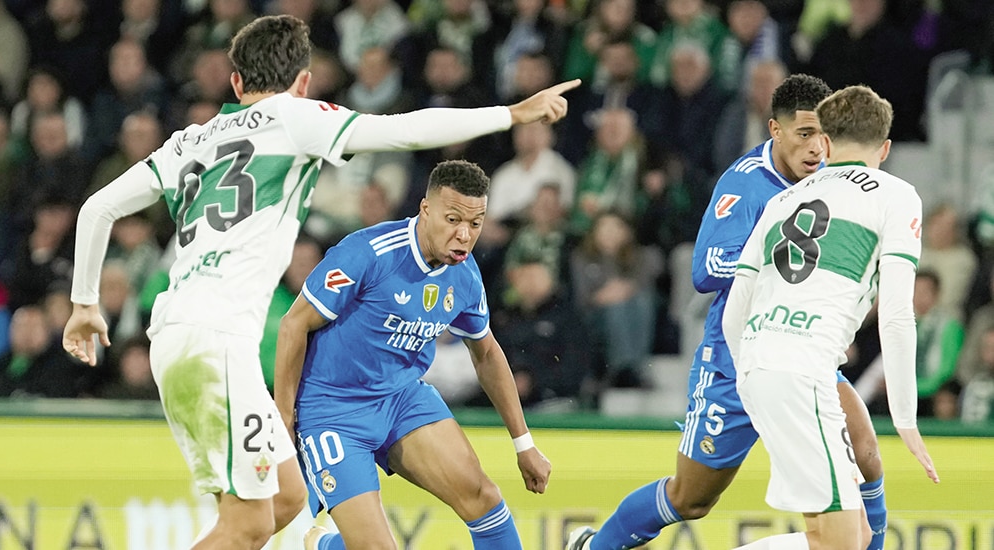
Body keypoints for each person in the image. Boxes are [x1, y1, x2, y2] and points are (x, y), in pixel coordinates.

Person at [61, 14, 577, 550]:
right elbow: (403, 130)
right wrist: (510, 113)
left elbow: (97, 208)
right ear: (304, 84)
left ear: (235, 83)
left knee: (284, 500)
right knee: (247, 524)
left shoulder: (188, 141)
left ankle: (320, 544)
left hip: (182, 337)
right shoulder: (293, 118)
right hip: (219, 341)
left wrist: (84, 302)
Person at [565, 74, 890, 550]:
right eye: (803, 135)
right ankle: (594, 547)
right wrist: (775, 263)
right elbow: (706, 268)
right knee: (691, 498)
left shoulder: (835, 180)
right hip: (736, 358)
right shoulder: (745, 182)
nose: (816, 149)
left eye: (823, 136)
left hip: (803, 356)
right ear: (774, 130)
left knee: (866, 454)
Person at [275, 160, 551, 550]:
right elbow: (293, 326)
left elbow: (486, 353)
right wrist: (284, 419)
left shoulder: (466, 276)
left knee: (483, 498)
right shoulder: (367, 253)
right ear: (425, 210)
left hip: (402, 399)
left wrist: (524, 445)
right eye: (452, 219)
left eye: (475, 224)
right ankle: (325, 544)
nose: (464, 235)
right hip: (333, 410)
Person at [721, 84, 938, 549]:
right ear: (885, 148)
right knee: (839, 544)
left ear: (826, 142)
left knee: (848, 536)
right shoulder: (896, 195)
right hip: (803, 374)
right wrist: (906, 419)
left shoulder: (783, 201)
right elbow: (898, 315)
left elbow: (734, 311)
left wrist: (751, 376)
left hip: (762, 365)